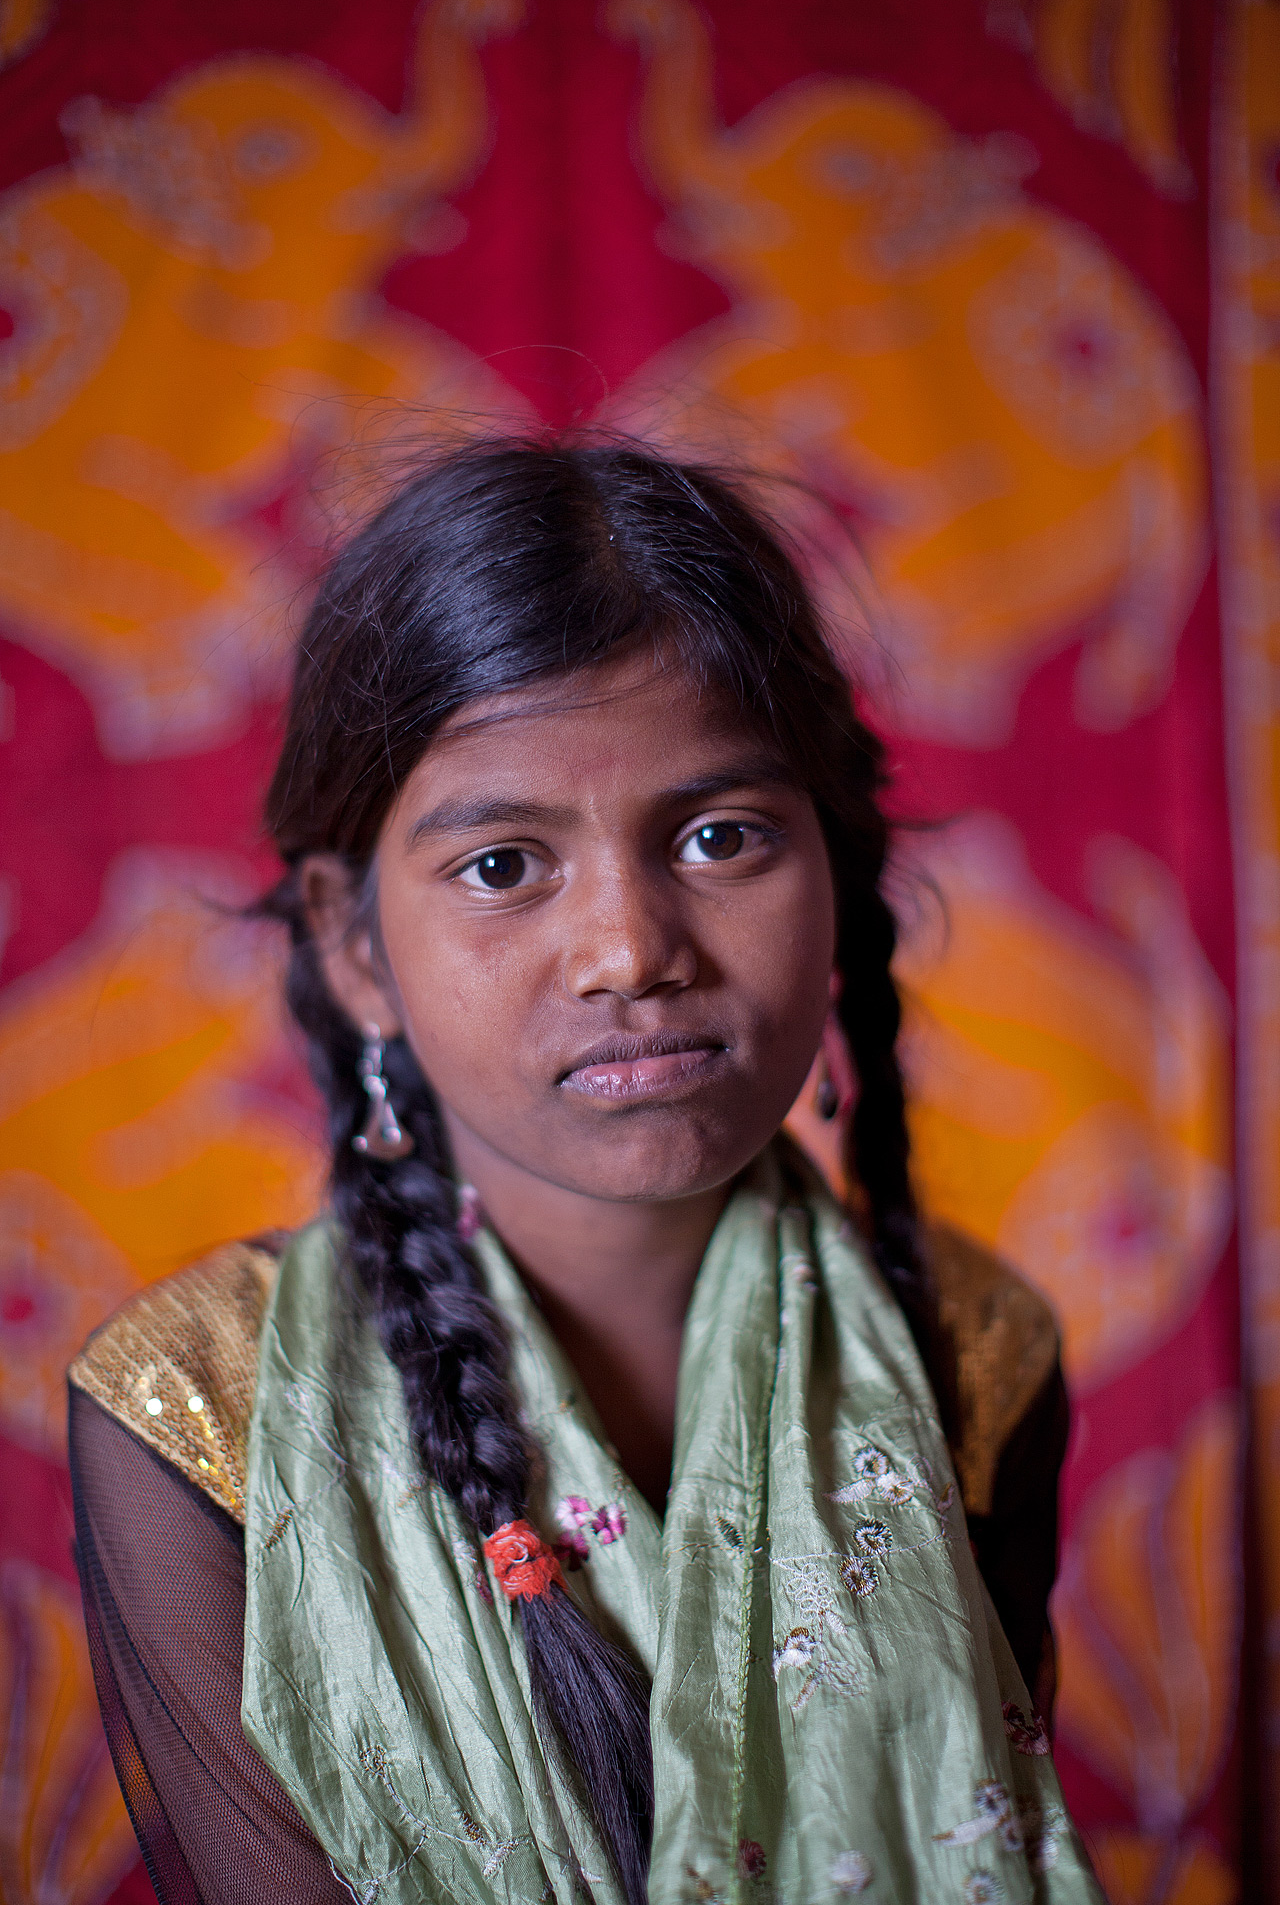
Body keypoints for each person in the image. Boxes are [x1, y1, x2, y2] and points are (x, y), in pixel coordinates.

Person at [68, 441, 1100, 1904]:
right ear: (355, 945)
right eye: (502, 865)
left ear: (839, 876)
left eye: (720, 837)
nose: (630, 950)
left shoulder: (975, 1354)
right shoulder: (197, 1410)